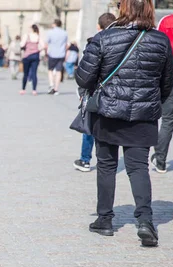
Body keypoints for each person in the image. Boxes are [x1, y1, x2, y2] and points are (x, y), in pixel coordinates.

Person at [75, 0, 173, 247]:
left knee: (107, 166)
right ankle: (145, 221)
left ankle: (105, 220)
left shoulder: (104, 38)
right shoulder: (160, 41)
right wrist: (149, 102)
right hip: (143, 115)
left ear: (123, 9)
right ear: (150, 9)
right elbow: (167, 82)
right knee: (138, 168)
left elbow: (83, 77)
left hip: (108, 113)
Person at [73, 12, 116, 173]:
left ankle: (85, 160)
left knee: (89, 126)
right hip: (114, 92)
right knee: (108, 126)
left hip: (94, 92)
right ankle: (107, 159)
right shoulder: (120, 43)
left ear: (98, 27)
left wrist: (82, 92)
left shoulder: (94, 43)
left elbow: (86, 72)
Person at [153, 4, 173, 174]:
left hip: (171, 75)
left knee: (168, 120)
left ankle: (160, 160)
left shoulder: (166, 21)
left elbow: (159, 49)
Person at [46, 19, 69, 95]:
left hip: (52, 54)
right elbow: (66, 45)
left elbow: (46, 44)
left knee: (50, 70)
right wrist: (66, 54)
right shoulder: (64, 33)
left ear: (54, 24)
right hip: (61, 54)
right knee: (59, 71)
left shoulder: (50, 32)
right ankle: (56, 89)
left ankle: (51, 85)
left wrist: (46, 52)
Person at [20, 25, 43, 95]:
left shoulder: (27, 36)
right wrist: (38, 50)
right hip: (35, 55)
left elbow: (21, 44)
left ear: (32, 29)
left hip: (27, 55)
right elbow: (43, 45)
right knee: (34, 73)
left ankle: (23, 89)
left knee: (25, 73)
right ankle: (34, 90)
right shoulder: (38, 36)